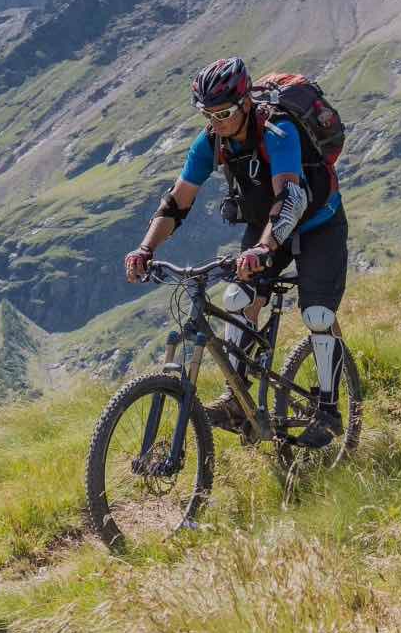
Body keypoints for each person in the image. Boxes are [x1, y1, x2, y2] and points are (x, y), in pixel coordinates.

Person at [122, 57, 348, 448]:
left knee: (317, 313)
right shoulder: (211, 140)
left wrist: (263, 248)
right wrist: (146, 248)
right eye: (207, 114)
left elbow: (291, 197)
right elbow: (177, 201)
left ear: (246, 103)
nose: (217, 121)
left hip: (316, 224)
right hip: (264, 228)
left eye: (224, 112)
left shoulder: (278, 130)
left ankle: (328, 409)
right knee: (237, 296)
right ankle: (238, 399)